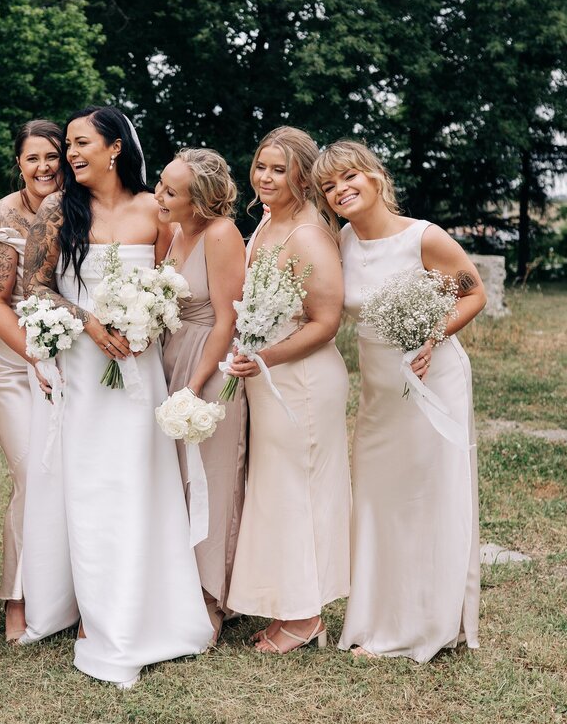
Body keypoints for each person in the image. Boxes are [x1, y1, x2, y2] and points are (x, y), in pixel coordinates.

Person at [20, 105, 213, 688]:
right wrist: (87, 323)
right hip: (82, 371)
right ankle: (92, 613)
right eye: (66, 145)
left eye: (81, 143)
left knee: (138, 482)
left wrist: (146, 321)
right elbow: (35, 286)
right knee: (88, 487)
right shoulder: (58, 211)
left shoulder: (155, 212)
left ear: (115, 149)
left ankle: (148, 607)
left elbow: (167, 287)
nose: (69, 154)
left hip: (137, 370)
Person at [313, 139, 485, 662]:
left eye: (349, 178)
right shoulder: (340, 241)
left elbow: (472, 292)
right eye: (328, 185)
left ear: (375, 176)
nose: (340, 190)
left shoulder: (423, 237)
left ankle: (427, 622)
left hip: (433, 378)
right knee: (377, 498)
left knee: (428, 495)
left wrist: (432, 335)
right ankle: (377, 617)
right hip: (379, 391)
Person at [223, 126, 351, 654]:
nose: (267, 177)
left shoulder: (308, 233)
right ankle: (290, 607)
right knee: (276, 494)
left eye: (280, 169)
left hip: (300, 380)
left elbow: (326, 321)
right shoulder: (266, 225)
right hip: (267, 377)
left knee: (301, 494)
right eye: (261, 167)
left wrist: (265, 357)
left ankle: (304, 619)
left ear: (302, 174)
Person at [0, 120, 64, 642]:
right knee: (33, 474)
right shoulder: (2, 216)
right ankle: (18, 597)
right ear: (19, 164)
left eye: (52, 156)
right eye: (33, 159)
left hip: (70, 359)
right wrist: (33, 357)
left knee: (68, 475)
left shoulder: (80, 206)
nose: (44, 167)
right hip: (12, 360)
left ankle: (64, 592)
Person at [154, 148, 248, 639]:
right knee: (179, 481)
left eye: (171, 191)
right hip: (172, 356)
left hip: (211, 365)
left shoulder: (220, 234)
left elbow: (227, 318)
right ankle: (181, 588)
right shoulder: (174, 231)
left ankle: (214, 599)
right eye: (161, 185)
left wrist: (193, 386)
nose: (159, 195)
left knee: (213, 480)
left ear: (200, 200)